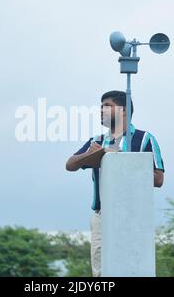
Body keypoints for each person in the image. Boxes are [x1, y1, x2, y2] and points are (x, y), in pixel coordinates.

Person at [66, 90, 165, 277]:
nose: (101, 110)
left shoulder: (144, 139)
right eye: (100, 107)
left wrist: (122, 161)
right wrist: (93, 154)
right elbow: (70, 164)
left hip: (135, 214)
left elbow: (158, 179)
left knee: (135, 267)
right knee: (101, 271)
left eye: (107, 106)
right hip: (102, 215)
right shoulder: (96, 141)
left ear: (124, 111)